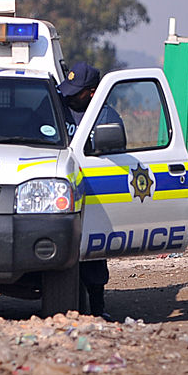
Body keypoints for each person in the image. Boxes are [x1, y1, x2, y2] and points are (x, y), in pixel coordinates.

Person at [58, 62, 122, 318]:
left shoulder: (107, 118)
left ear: (93, 92)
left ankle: (97, 310)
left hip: (93, 195)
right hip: (57, 196)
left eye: (78, 91)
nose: (71, 96)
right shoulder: (58, 108)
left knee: (93, 257)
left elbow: (115, 157)